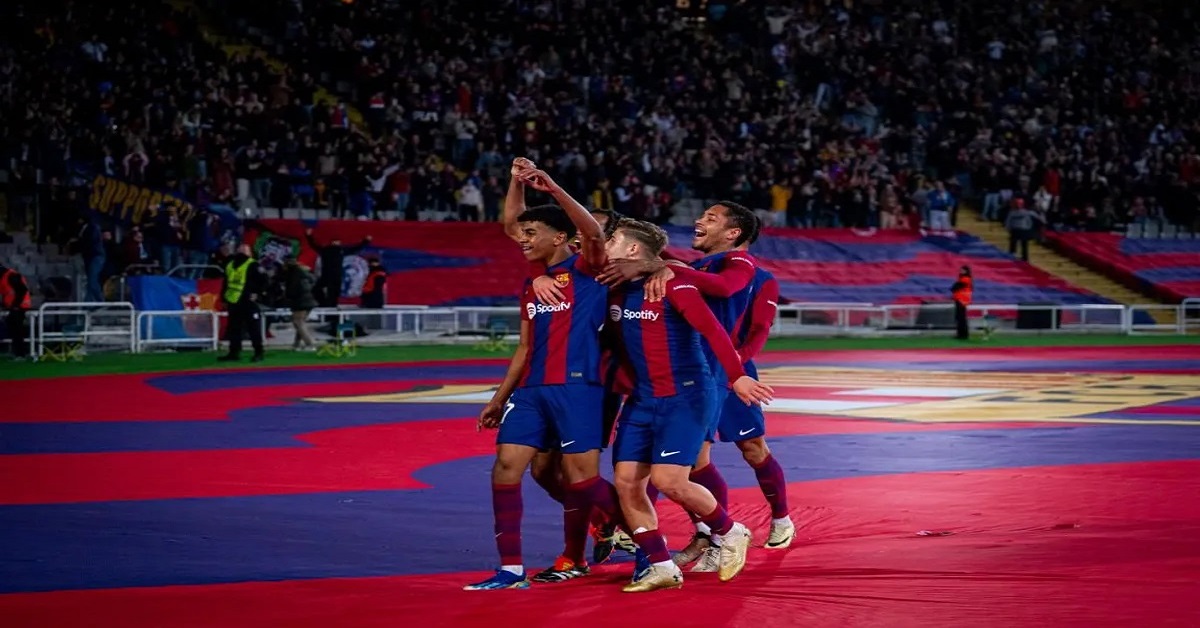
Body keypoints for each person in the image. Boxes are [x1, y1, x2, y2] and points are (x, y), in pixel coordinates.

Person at [599, 202, 796, 567]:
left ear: (733, 233)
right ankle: (710, 536)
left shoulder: (745, 269)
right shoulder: (691, 268)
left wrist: (735, 369)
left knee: (751, 449)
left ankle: (779, 518)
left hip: (725, 371)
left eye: (710, 218)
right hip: (692, 370)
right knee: (688, 461)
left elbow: (748, 318)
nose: (698, 221)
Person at [466, 165, 625, 590]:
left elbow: (591, 233)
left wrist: (551, 187)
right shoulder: (532, 282)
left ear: (561, 237)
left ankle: (645, 540)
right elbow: (524, 347)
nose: (521, 239)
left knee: (581, 479)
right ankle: (511, 570)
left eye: (532, 233)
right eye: (523, 234)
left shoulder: (591, 269)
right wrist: (499, 398)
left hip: (579, 387)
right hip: (532, 391)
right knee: (508, 467)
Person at [218, 244, 266, 362]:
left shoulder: (253, 265)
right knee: (234, 328)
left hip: (247, 301)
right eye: (241, 248)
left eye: (245, 249)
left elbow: (264, 281)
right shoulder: (230, 264)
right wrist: (224, 299)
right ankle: (234, 352)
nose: (243, 251)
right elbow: (226, 282)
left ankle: (258, 352)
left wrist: (258, 294)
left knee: (253, 328)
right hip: (234, 300)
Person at [304, 228, 372, 308]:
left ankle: (330, 307)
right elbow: (314, 245)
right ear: (332, 242)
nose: (337, 243)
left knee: (332, 293)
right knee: (319, 290)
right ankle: (325, 304)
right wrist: (309, 236)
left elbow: (355, 249)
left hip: (334, 275)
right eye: (336, 241)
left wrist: (366, 241)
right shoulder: (327, 250)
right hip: (328, 275)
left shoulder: (340, 250)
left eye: (338, 242)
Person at [281, 257, 318, 351]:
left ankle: (310, 344)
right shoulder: (303, 271)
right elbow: (313, 282)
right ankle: (296, 344)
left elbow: (292, 290)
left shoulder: (293, 274)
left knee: (298, 322)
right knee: (298, 323)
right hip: (309, 299)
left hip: (300, 301)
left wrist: (286, 297)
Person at [0, 265, 32, 359]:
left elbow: (22, 290)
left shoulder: (12, 275)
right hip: (14, 306)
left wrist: (15, 305)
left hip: (20, 306)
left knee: (17, 329)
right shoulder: (5, 277)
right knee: (13, 327)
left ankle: (20, 353)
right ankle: (18, 352)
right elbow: (7, 293)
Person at [951, 265, 972, 341]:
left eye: (963, 270)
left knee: (961, 318)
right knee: (961, 318)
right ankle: (962, 334)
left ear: (966, 271)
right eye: (961, 270)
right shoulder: (964, 279)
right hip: (961, 299)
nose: (961, 271)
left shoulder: (965, 279)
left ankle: (962, 334)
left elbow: (955, 287)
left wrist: (954, 287)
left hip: (961, 300)